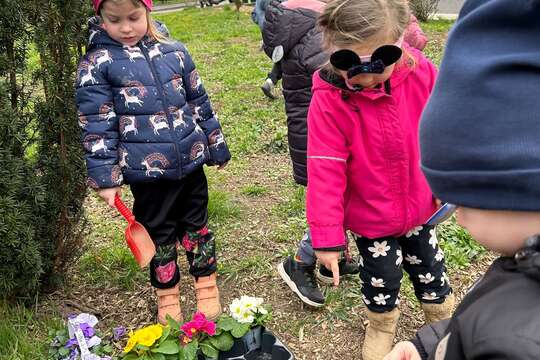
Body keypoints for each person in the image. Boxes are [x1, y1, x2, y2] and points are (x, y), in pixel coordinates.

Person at [384, 1, 540, 359]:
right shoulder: (525, 264)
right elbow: (486, 315)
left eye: (463, 200)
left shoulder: (516, 348)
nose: (459, 217)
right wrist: (428, 346)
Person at [307, 0, 454, 358]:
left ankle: (443, 320)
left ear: (401, 43)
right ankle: (382, 322)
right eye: (350, 63)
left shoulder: (424, 76)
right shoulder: (329, 99)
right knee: (380, 278)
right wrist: (327, 237)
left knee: (430, 267)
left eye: (380, 62)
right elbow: (325, 167)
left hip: (421, 206)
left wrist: (451, 181)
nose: (367, 75)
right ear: (331, 48)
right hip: (371, 217)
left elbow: (448, 129)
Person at [75, 0, 230, 325]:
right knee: (159, 234)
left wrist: (215, 144)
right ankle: (168, 296)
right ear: (100, 19)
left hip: (189, 163)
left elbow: (198, 99)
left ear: (148, 12)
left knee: (197, 225)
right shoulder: (97, 64)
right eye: (115, 20)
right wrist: (106, 176)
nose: (127, 27)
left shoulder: (174, 51)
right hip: (146, 176)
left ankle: (206, 286)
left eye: (134, 17)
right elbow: (96, 122)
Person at [263, 0, 360, 308]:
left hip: (309, 131)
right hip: (324, 138)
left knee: (344, 195)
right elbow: (342, 81)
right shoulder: (319, 33)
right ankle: (300, 260)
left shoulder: (296, 23)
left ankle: (336, 255)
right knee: (339, 197)